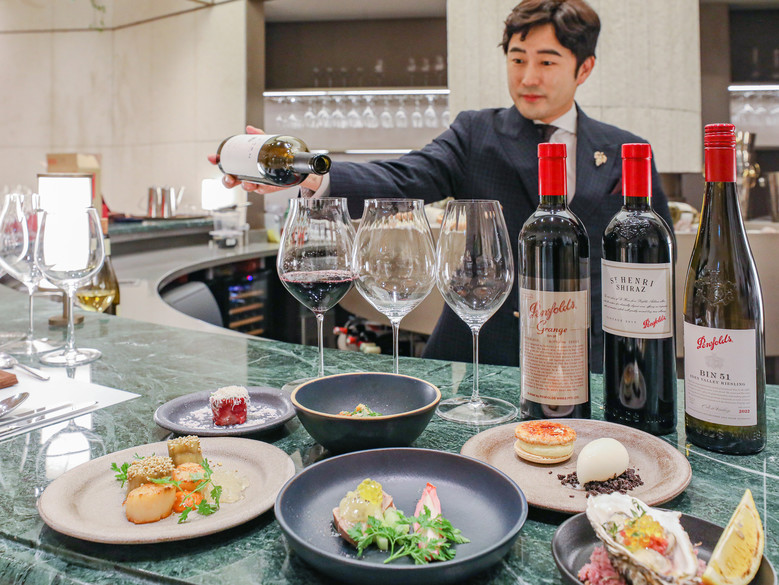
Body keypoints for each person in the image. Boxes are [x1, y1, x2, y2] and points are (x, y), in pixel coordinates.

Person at [210, 0, 673, 373]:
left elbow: (658, 264)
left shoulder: (624, 151)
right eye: (517, 59)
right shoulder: (477, 133)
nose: (528, 77)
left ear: (584, 68)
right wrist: (311, 174)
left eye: (547, 61)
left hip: (591, 356)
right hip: (483, 350)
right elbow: (405, 176)